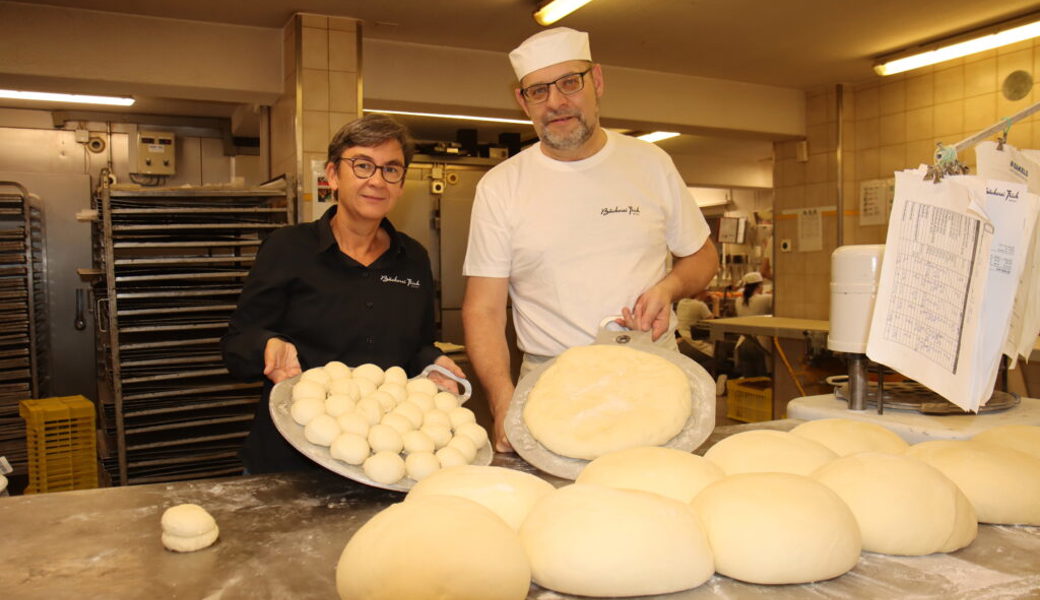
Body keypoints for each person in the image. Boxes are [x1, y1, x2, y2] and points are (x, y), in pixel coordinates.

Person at [462, 27, 718, 452]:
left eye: (569, 82)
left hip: (652, 370)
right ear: (522, 102)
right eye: (538, 91)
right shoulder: (501, 186)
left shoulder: (650, 163)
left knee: (659, 496)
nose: (556, 102)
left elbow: (702, 256)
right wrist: (503, 399)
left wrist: (669, 287)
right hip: (552, 384)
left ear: (596, 81)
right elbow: (483, 308)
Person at [222, 114, 464, 474]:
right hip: (292, 457)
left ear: (400, 184)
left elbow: (416, 345)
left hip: (382, 461)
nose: (377, 181)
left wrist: (432, 363)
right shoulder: (288, 248)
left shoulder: (413, 258)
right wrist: (268, 345)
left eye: (391, 170)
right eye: (363, 165)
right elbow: (237, 343)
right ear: (333, 175)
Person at [734, 271, 773, 377]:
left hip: (742, 342)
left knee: (749, 379)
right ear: (760, 285)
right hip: (759, 344)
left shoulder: (738, 300)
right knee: (762, 379)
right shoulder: (765, 299)